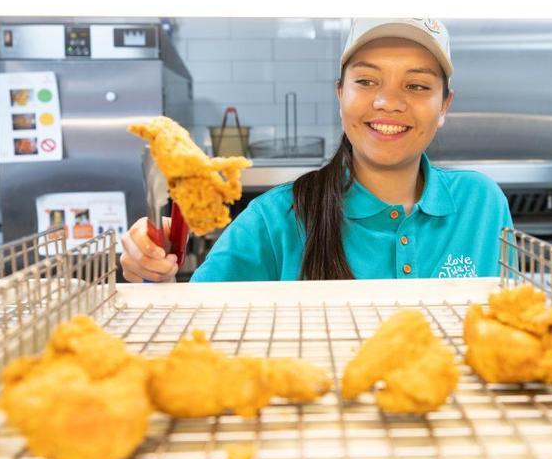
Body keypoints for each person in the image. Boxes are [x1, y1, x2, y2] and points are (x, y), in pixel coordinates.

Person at [120, 18, 513, 283]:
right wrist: (157, 271)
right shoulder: (276, 219)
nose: (387, 102)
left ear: (444, 105)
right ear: (341, 94)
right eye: (367, 81)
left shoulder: (481, 204)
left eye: (417, 86)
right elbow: (197, 323)